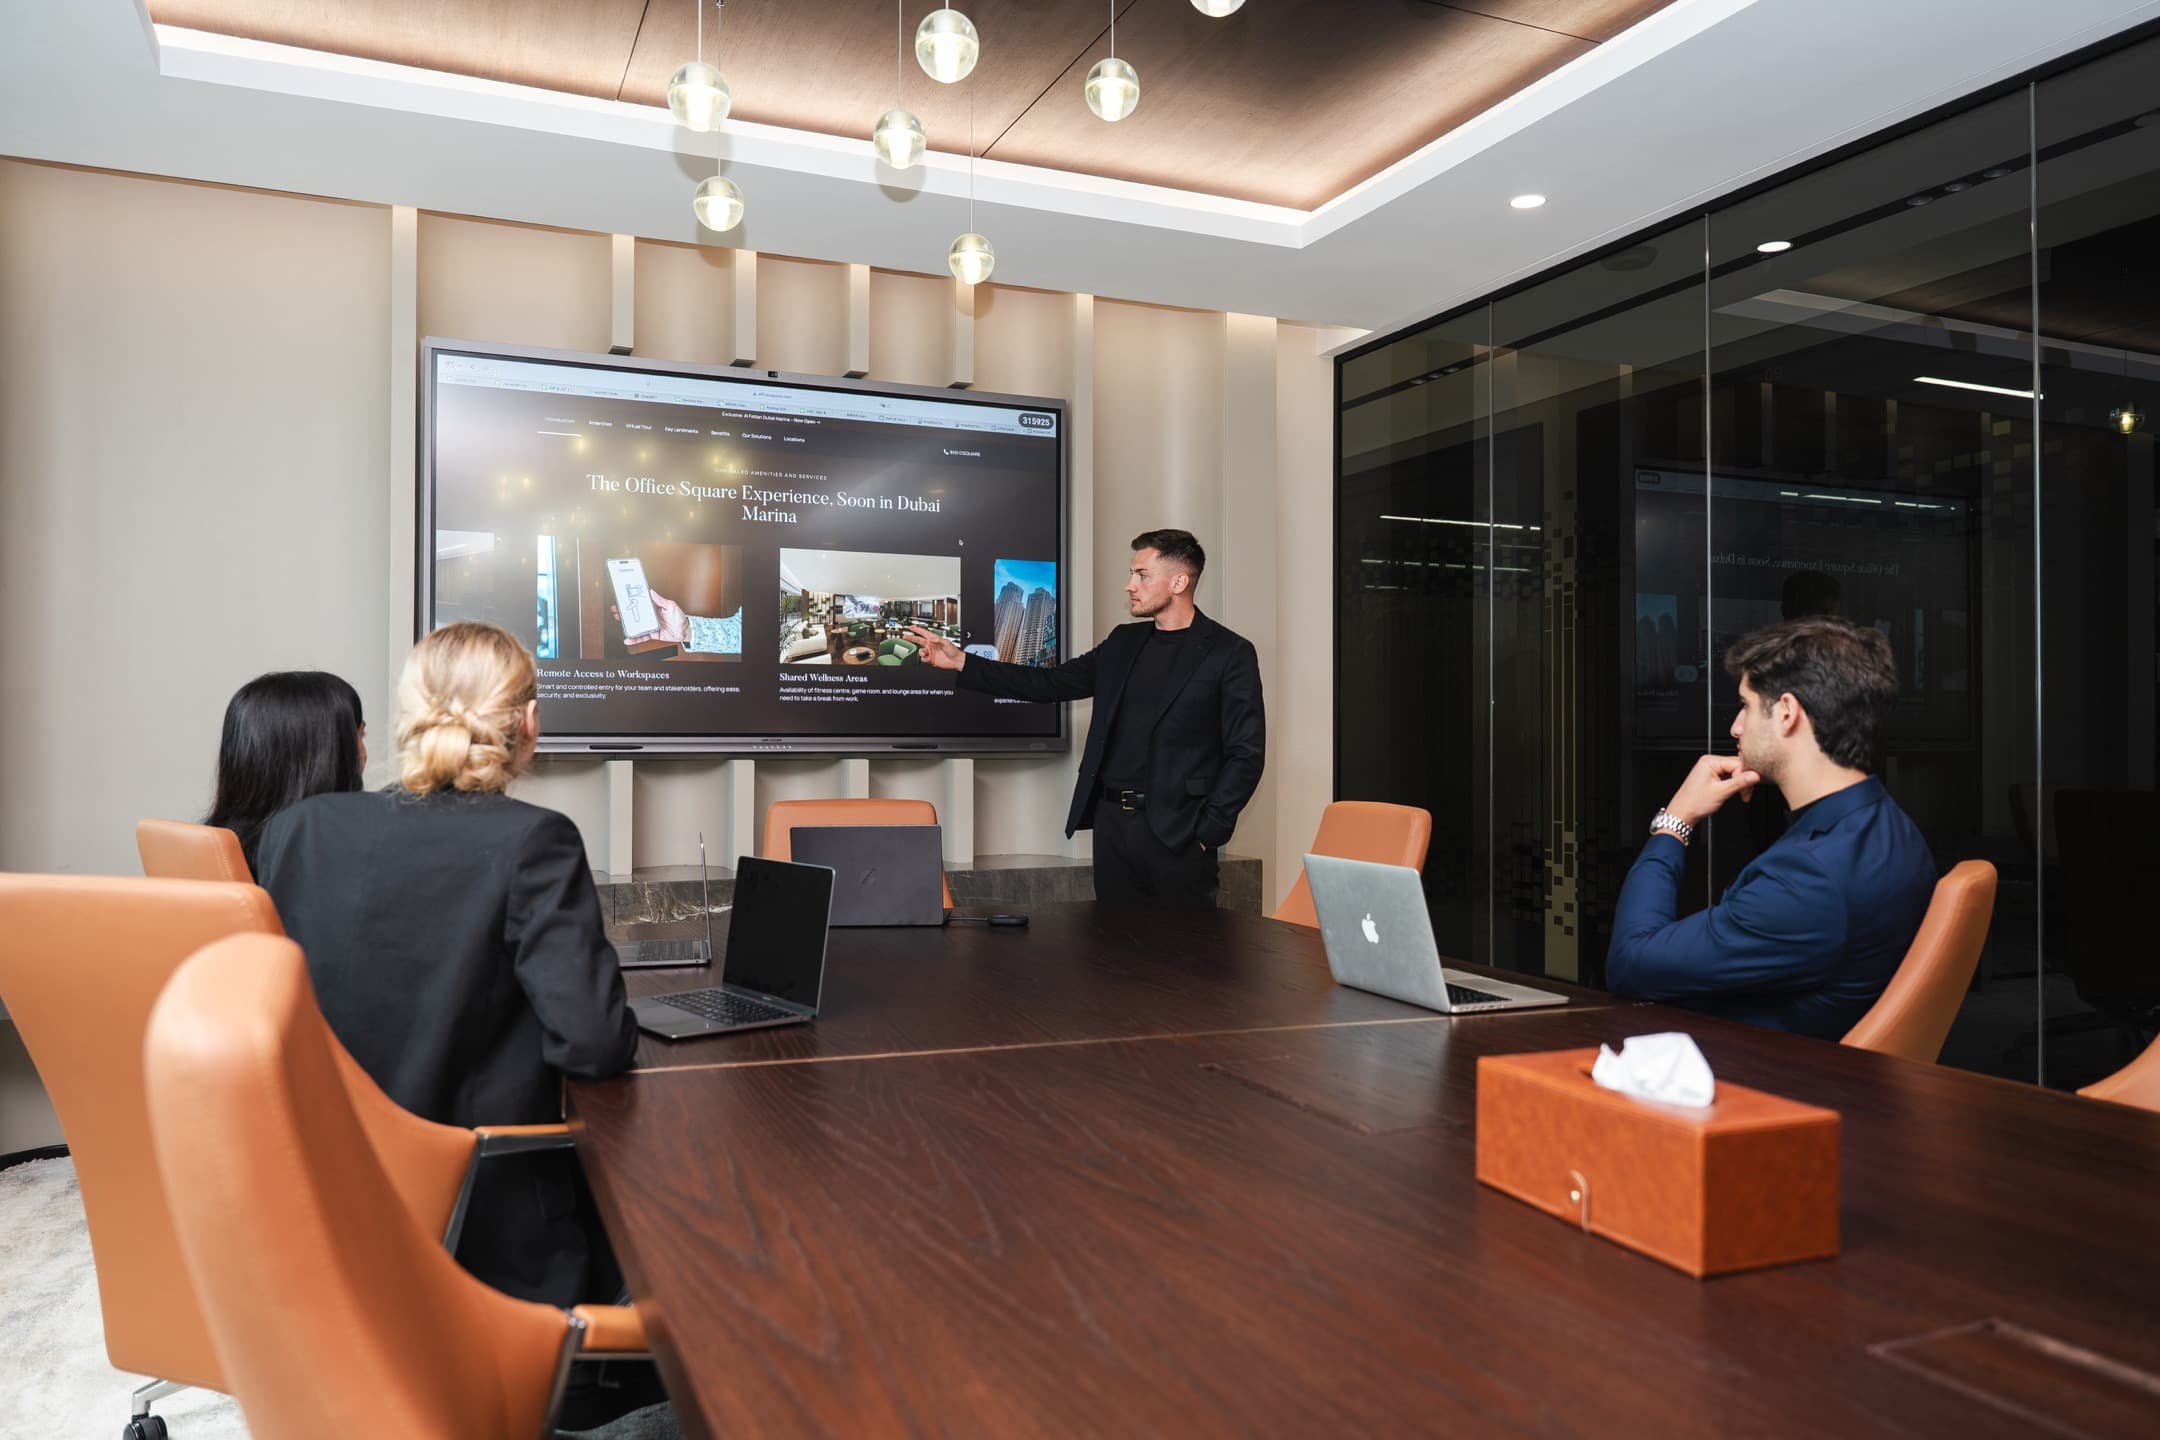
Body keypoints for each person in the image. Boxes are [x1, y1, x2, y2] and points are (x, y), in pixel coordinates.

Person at [255, 621, 639, 1308]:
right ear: (528, 722)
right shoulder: (535, 841)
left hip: (318, 1205)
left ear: (407, 718)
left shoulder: (300, 828)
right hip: (478, 1225)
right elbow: (594, 1043)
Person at [1605, 617, 1937, 1039]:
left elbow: (1630, 964)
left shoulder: (1809, 881)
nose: (1735, 728)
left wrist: (1676, 820)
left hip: (1750, 1084)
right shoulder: (1893, 829)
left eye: (1745, 706)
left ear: (1786, 714)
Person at [905, 529, 1265, 909]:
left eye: (1142, 575)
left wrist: (1210, 831)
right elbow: (1049, 683)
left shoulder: (1230, 653)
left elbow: (1246, 753)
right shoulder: (1124, 642)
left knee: (1185, 959)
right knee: (1114, 956)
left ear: (1179, 581)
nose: (1130, 585)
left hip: (1181, 835)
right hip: (1113, 830)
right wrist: (961, 661)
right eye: (1132, 573)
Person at [203, 670, 367, 875]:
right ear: (327, 757)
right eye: (359, 737)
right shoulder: (333, 869)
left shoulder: (213, 856)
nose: (363, 755)